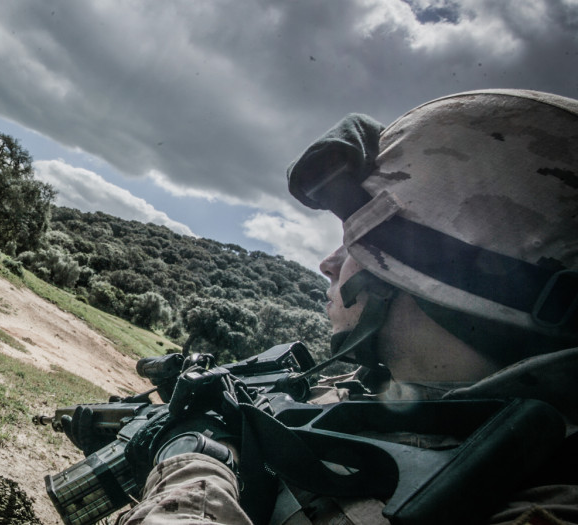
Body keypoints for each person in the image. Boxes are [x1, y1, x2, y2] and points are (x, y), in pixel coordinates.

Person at [117, 89, 578, 524]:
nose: (328, 263)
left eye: (356, 240)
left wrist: (193, 471)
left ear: (432, 274)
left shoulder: (544, 502)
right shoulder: (383, 399)